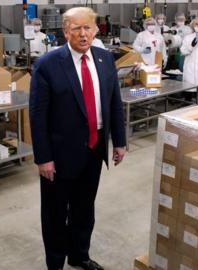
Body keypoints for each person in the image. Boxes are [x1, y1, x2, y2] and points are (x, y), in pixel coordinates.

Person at [29, 7, 126, 270]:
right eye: (76, 29)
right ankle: (56, 263)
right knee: (55, 214)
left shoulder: (105, 59)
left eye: (88, 28)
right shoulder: (48, 65)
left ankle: (79, 254)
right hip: (59, 157)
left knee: (84, 209)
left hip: (94, 151)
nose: (83, 34)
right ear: (65, 31)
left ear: (96, 30)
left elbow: (114, 103)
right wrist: (44, 158)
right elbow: (37, 117)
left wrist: (119, 141)